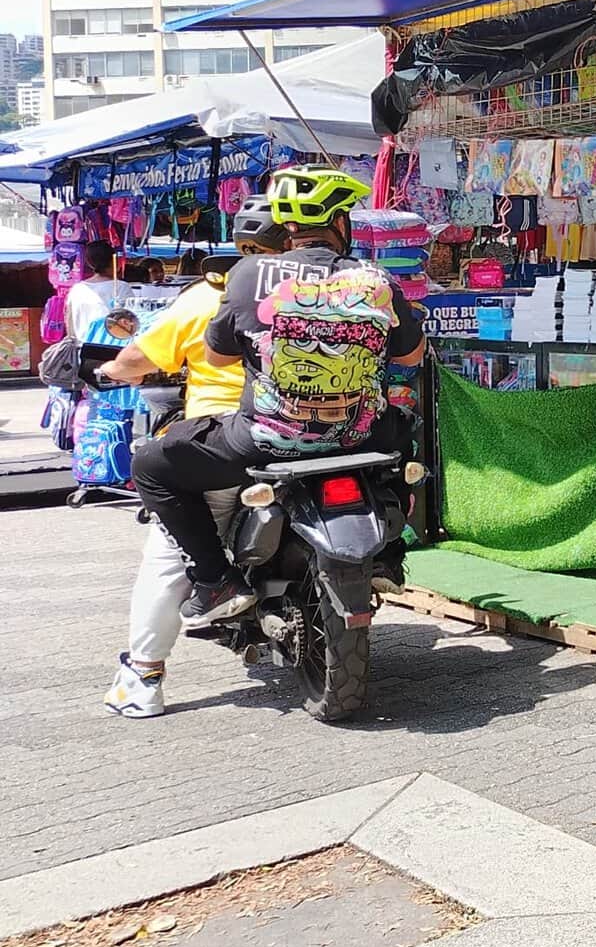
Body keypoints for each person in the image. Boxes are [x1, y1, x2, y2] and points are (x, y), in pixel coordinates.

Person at [133, 168, 425, 627]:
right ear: (340, 223)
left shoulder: (247, 274)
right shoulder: (375, 278)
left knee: (151, 464)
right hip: (361, 436)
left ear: (286, 227)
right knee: (405, 424)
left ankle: (215, 580)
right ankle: (388, 556)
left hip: (264, 442)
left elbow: (219, 356)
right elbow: (411, 354)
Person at [90, 238, 261, 719]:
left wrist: (109, 367)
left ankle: (143, 677)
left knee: (167, 552)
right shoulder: (329, 286)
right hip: (336, 436)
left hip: (230, 439)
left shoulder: (211, 297)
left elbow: (136, 360)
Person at [63, 240, 129, 343]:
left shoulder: (77, 289)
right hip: (110, 347)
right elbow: (129, 322)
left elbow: (69, 323)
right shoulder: (121, 287)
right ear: (114, 261)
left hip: (81, 347)